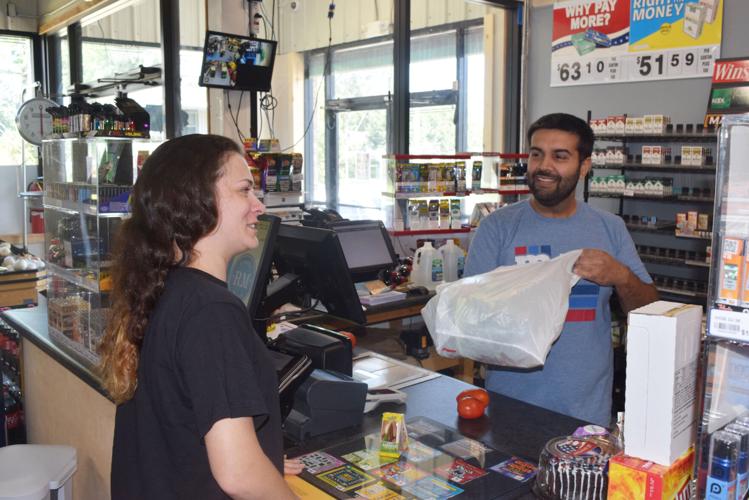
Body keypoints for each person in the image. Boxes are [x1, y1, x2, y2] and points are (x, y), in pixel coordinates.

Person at [98, 134, 302, 499]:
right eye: (244, 191)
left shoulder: (165, 290)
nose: (258, 206)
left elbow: (179, 426)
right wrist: (253, 468)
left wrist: (260, 456)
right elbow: (238, 475)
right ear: (197, 201)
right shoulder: (211, 311)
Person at [464, 113, 658, 426]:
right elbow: (469, 321)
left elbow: (651, 312)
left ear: (584, 166)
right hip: (509, 408)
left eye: (560, 156)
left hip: (585, 413)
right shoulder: (496, 228)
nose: (544, 166)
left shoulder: (610, 229)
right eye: (536, 153)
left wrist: (621, 276)